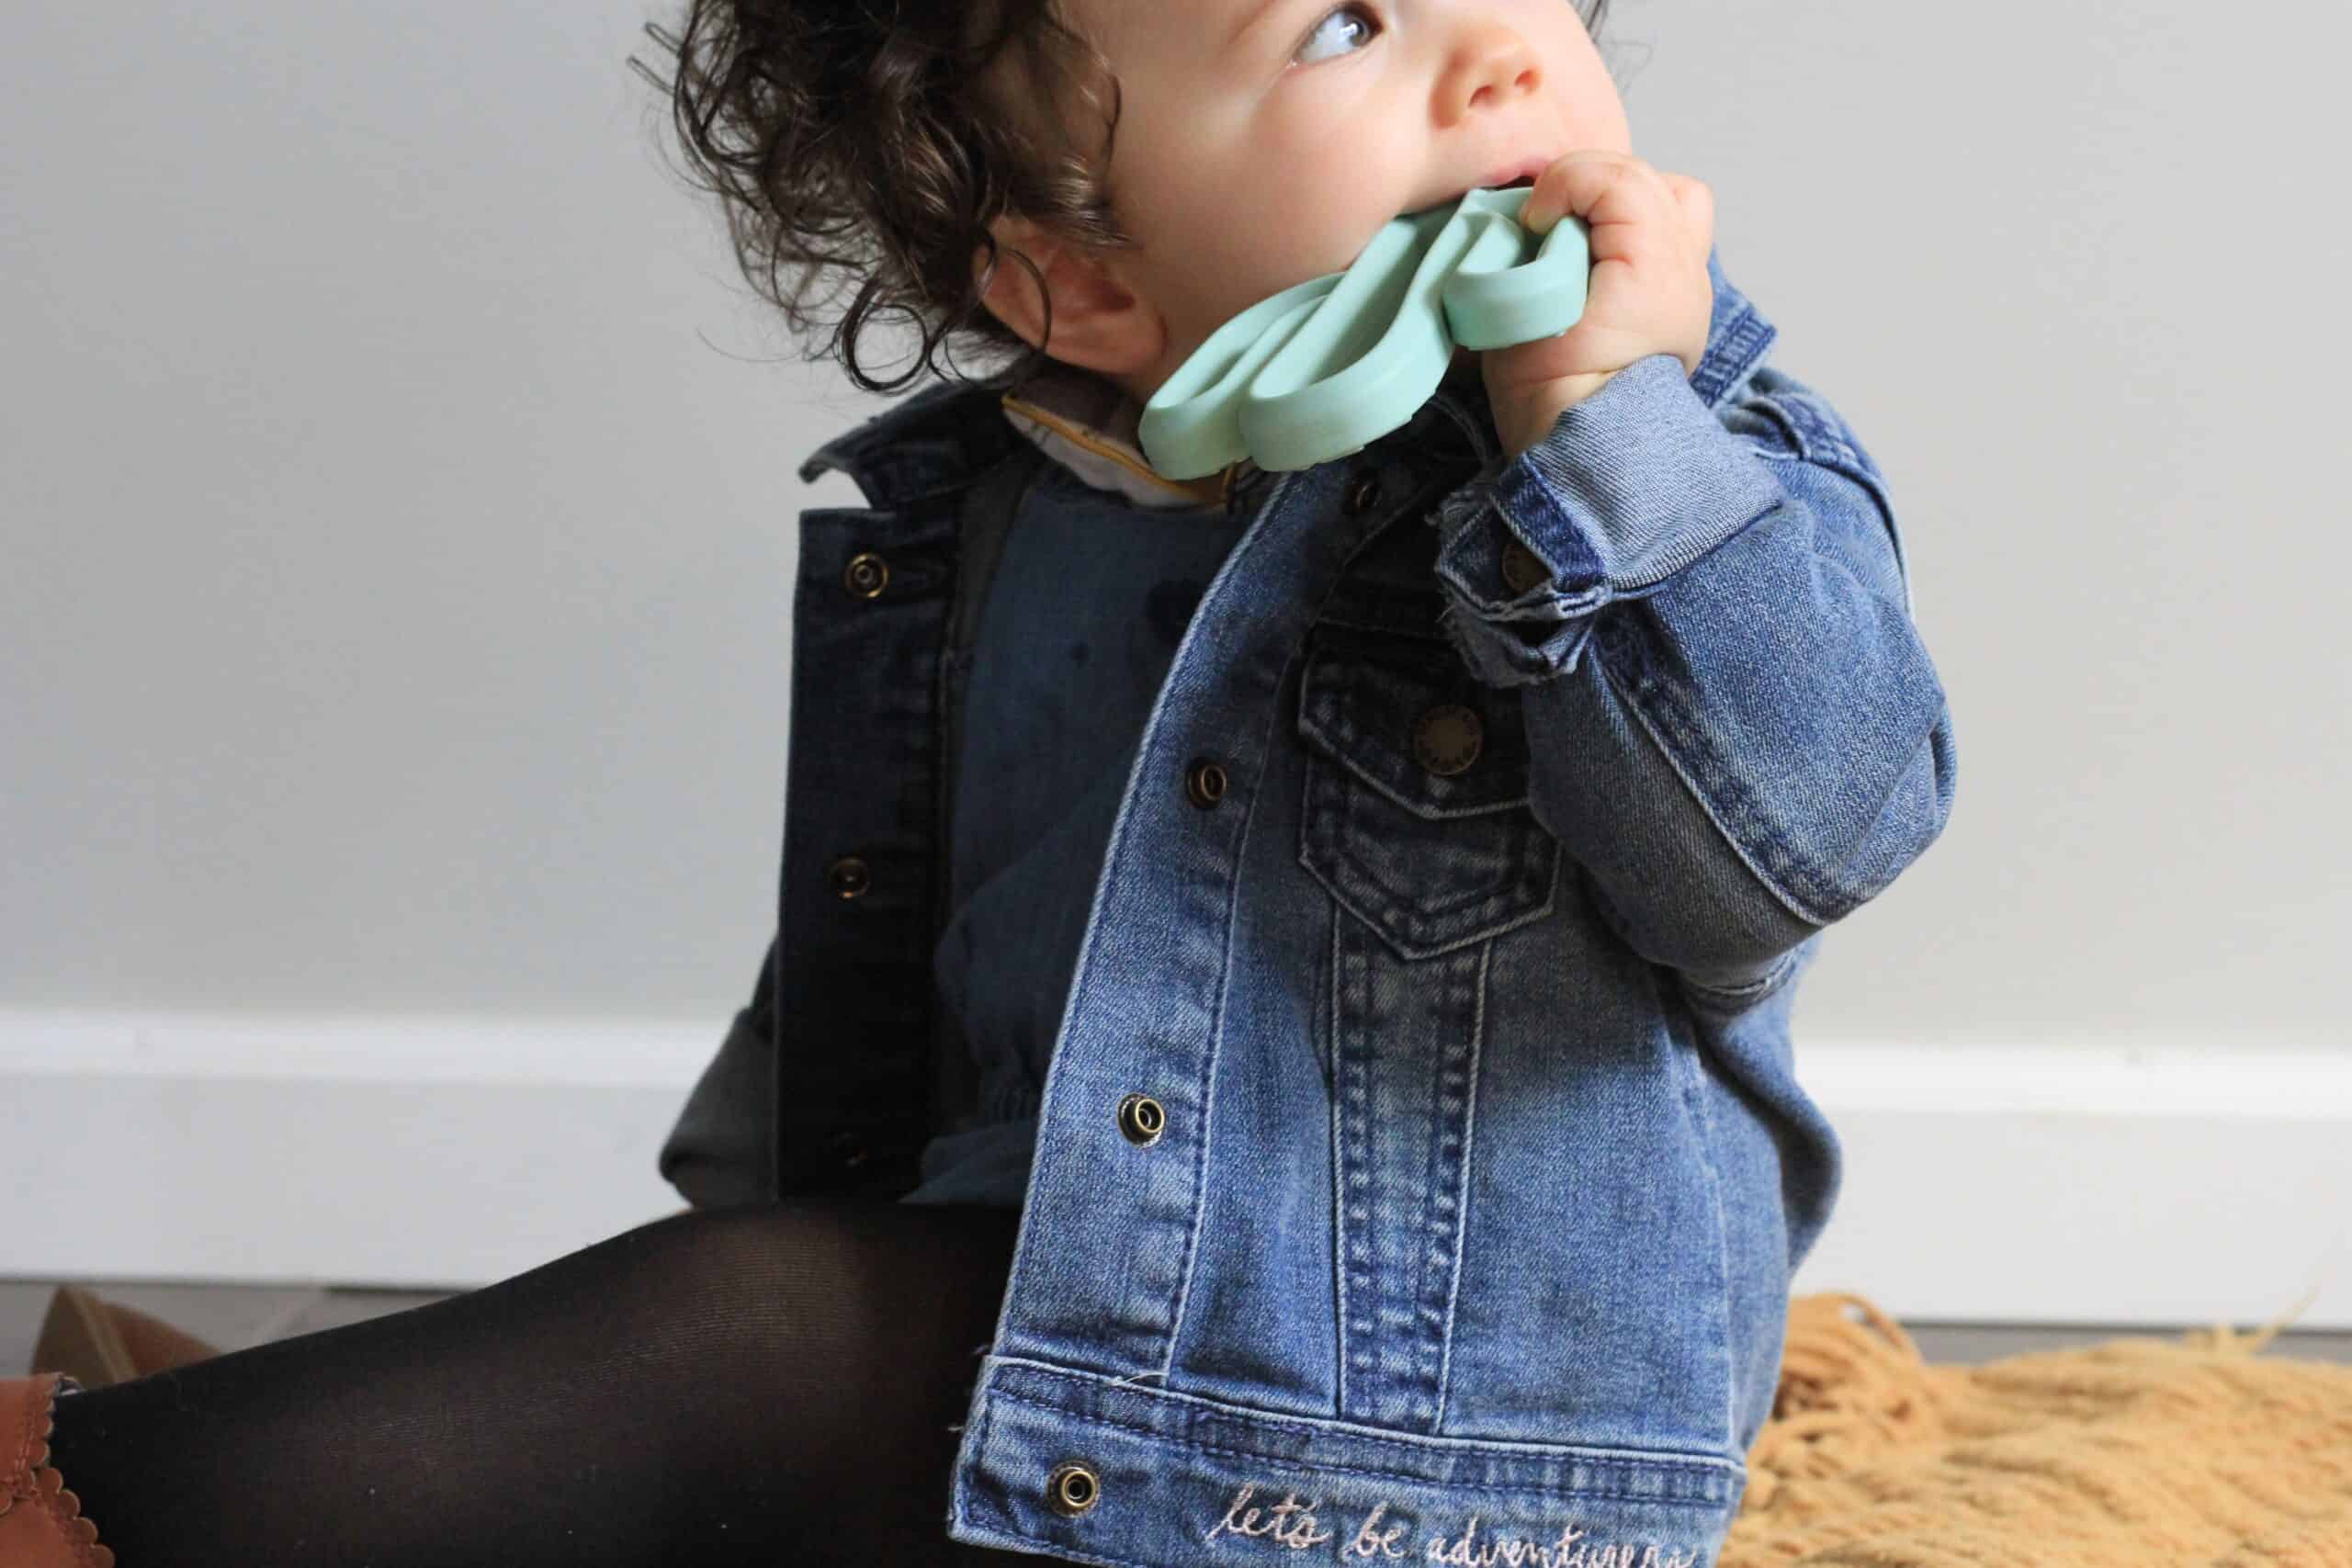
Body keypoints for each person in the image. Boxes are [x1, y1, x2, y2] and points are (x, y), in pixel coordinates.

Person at [0, 0, 1960, 1563]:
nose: (1503, 48)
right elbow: (932, 957)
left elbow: (1808, 837)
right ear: (1082, 289)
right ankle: (232, 1469)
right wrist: (775, 1211)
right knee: (695, 1368)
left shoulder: (1695, 451)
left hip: (1402, 1444)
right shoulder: (1008, 504)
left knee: (733, 1345)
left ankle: (154, 1481)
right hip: (1059, 1346)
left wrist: (1604, 437)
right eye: (1342, 28)